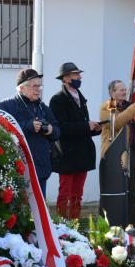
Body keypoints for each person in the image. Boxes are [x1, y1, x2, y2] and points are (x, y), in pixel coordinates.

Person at [49, 62, 101, 220]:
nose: (79, 77)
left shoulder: (81, 97)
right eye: (75, 74)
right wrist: (86, 126)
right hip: (67, 154)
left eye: (79, 74)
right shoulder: (57, 100)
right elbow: (61, 128)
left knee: (78, 194)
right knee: (65, 193)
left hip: (83, 153)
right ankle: (63, 227)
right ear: (65, 78)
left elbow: (81, 126)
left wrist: (94, 129)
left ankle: (75, 226)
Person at [0, 69, 60, 196]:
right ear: (21, 88)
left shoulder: (43, 107)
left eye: (40, 86)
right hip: (17, 167)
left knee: (39, 209)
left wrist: (50, 130)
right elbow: (0, 130)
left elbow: (57, 132)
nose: (38, 89)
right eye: (34, 86)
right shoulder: (5, 106)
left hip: (41, 168)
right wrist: (28, 126)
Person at [99, 80, 135, 228]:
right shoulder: (108, 105)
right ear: (112, 92)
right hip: (114, 157)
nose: (124, 93)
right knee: (115, 193)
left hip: (130, 155)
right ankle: (112, 226)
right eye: (120, 90)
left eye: (125, 90)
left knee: (133, 194)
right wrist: (133, 109)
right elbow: (114, 124)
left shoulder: (126, 106)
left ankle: (133, 227)